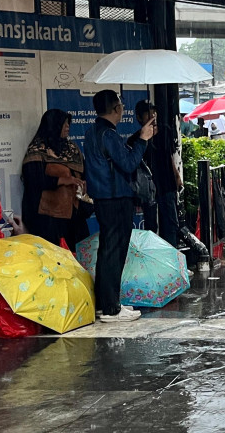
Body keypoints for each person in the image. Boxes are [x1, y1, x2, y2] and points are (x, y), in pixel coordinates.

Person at [84, 90, 155, 323]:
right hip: (116, 198)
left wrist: (136, 139)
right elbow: (128, 164)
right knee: (114, 253)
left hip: (103, 199)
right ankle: (111, 309)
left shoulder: (93, 132)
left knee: (107, 251)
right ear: (116, 109)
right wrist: (143, 140)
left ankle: (106, 303)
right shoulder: (109, 135)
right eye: (121, 105)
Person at [21, 109, 89, 251]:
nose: (67, 127)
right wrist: (63, 180)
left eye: (68, 124)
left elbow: (85, 173)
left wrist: (81, 184)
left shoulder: (73, 148)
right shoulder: (38, 150)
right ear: (53, 126)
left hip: (74, 216)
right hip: (49, 218)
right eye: (63, 124)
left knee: (76, 256)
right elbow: (32, 181)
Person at [135, 100, 181, 248]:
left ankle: (172, 259)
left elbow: (169, 155)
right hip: (149, 189)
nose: (152, 116)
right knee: (151, 226)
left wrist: (176, 175)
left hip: (167, 184)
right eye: (148, 113)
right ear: (139, 118)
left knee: (170, 224)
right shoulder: (137, 139)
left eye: (154, 112)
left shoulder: (165, 131)